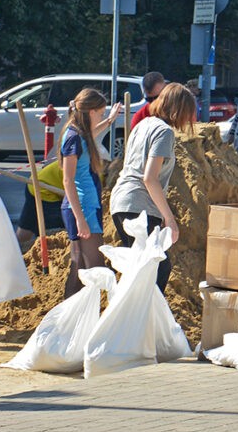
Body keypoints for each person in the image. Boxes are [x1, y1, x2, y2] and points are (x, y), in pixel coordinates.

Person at [109, 83, 197, 294]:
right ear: (179, 110)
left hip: (121, 201)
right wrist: (169, 218)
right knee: (157, 268)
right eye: (188, 113)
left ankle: (133, 311)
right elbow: (150, 178)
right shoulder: (164, 132)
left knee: (140, 271)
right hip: (139, 207)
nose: (189, 119)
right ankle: (139, 313)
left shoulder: (143, 124)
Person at [60, 88, 121, 299]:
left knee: (80, 267)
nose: (101, 117)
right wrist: (80, 219)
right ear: (91, 111)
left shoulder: (79, 134)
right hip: (82, 207)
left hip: (85, 204)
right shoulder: (73, 138)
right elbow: (67, 180)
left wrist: (110, 120)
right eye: (101, 113)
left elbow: (92, 134)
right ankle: (80, 314)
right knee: (96, 268)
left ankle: (68, 315)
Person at [15, 159, 66, 254]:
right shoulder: (90, 167)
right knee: (55, 234)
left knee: (27, 226)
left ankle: (16, 251)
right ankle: (20, 252)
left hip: (36, 184)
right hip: (45, 189)